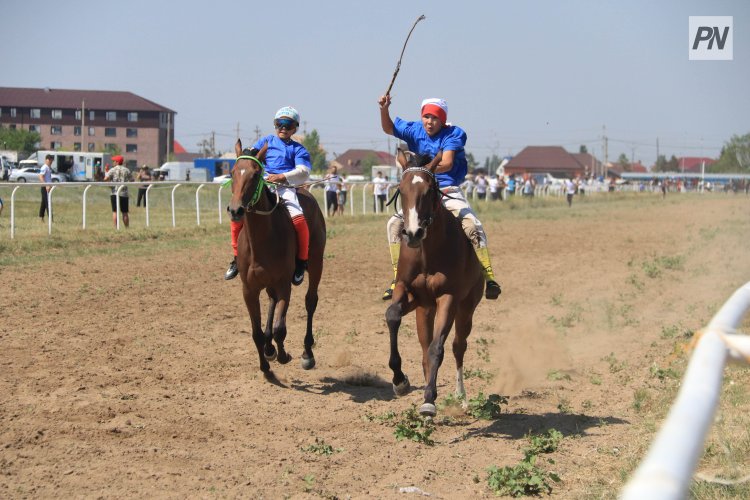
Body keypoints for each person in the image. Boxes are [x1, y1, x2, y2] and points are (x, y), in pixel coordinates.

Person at [378, 95, 501, 300]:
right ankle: (396, 278)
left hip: (447, 189)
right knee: (393, 224)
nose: (429, 121)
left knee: (472, 224)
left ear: (442, 120)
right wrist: (384, 109)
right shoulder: (414, 129)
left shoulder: (453, 134)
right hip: (420, 192)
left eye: (434, 118)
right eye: (426, 116)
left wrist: (419, 171)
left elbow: (447, 162)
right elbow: (388, 128)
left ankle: (488, 277)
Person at [224, 106, 312, 286]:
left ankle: (302, 262)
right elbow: (251, 159)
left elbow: (303, 172)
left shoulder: (298, 149)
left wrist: (283, 176)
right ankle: (236, 259)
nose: (283, 128)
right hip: (262, 186)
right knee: (237, 217)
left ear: (295, 127)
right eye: (279, 124)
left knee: (299, 220)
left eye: (288, 125)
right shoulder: (266, 141)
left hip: (285, 187)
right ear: (275, 125)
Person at [104, 155, 133, 227]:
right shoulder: (127, 170)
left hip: (114, 192)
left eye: (114, 161)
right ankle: (127, 228)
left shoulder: (112, 170)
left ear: (117, 162)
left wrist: (106, 172)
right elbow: (132, 180)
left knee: (115, 212)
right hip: (124, 193)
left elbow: (105, 179)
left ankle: (115, 228)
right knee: (125, 212)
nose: (113, 162)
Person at [38, 154, 54, 222]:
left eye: (52, 161)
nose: (51, 162)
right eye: (50, 161)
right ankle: (51, 219)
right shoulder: (44, 167)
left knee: (44, 203)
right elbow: (40, 177)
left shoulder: (48, 167)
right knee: (48, 203)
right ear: (47, 160)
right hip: (45, 188)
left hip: (48, 187)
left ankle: (41, 217)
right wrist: (46, 185)